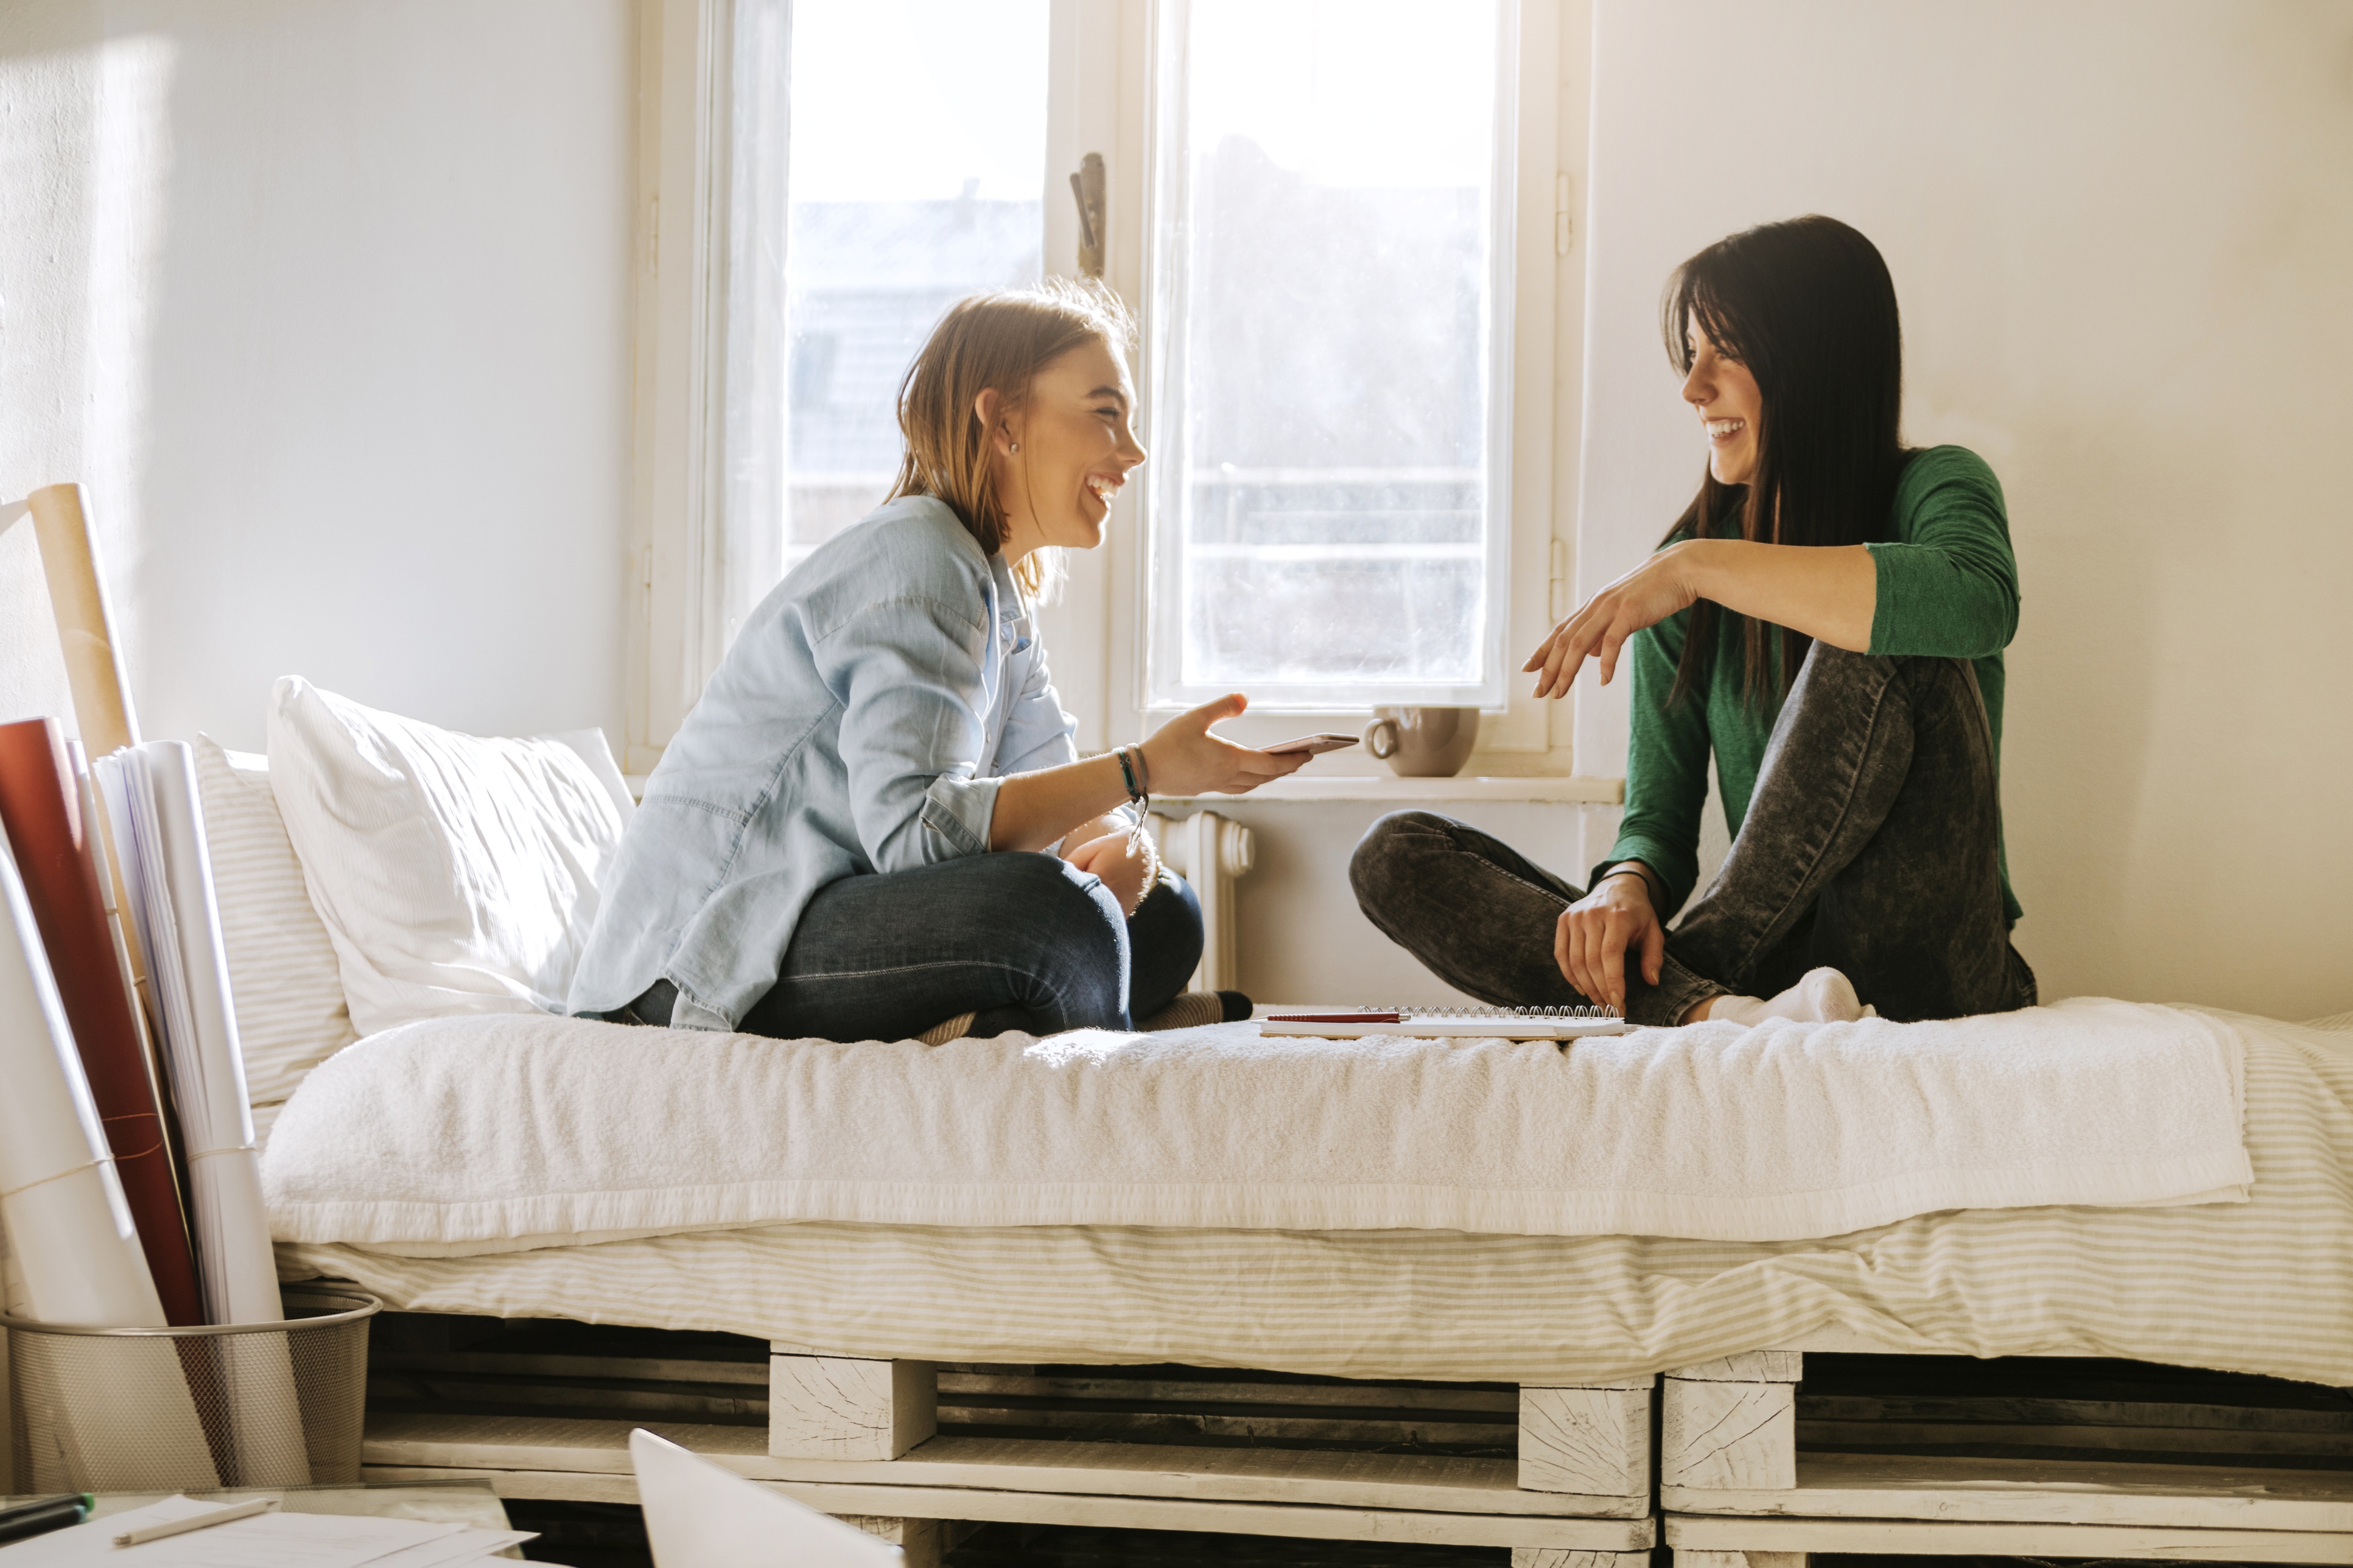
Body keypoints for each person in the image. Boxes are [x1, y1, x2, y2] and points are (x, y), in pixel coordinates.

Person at [569, 281, 1305, 1041]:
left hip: (833, 910)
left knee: (1168, 913)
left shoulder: (997, 594)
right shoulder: (921, 558)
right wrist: (1140, 769)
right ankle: (1073, 1069)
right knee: (1059, 914)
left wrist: (1123, 841)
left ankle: (988, 1023)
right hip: (708, 950)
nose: (1134, 453)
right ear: (1003, 419)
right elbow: (916, 836)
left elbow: (1052, 777)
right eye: (1105, 414)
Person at [1351, 215, 2033, 1027]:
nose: (1693, 387)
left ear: (1814, 364)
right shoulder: (1680, 574)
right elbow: (1658, 826)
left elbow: (1977, 602)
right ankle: (1714, 1012)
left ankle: (1683, 990)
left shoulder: (1931, 489)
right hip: (1781, 976)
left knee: (1883, 629)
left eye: (1726, 351)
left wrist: (1696, 567)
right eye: (1690, 351)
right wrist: (1624, 887)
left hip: (1932, 963)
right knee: (1394, 852)